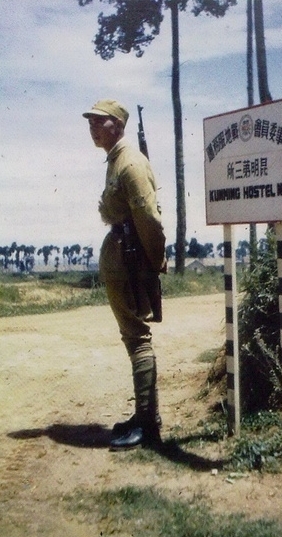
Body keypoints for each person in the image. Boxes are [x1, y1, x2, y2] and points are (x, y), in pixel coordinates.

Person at [83, 99, 166, 450]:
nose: (92, 126)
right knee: (133, 335)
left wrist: (154, 261)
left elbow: (150, 221)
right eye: (90, 121)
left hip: (131, 256)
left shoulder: (129, 163)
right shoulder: (117, 159)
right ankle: (146, 417)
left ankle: (147, 425)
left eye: (98, 121)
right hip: (123, 251)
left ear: (117, 124)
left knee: (137, 336)